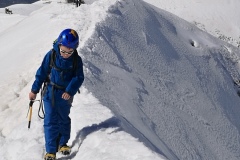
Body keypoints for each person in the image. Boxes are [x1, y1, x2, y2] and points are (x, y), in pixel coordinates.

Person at [29, 28, 84, 160]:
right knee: (50, 120)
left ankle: (63, 143)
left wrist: (69, 91)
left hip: (65, 95)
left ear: (75, 48)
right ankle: (50, 151)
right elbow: (42, 72)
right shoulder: (51, 55)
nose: (66, 54)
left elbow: (79, 77)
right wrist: (34, 90)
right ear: (59, 45)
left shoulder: (76, 60)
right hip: (50, 92)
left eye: (69, 52)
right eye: (63, 51)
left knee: (63, 118)